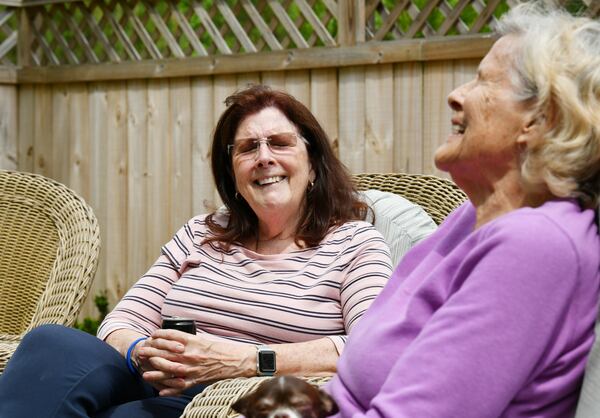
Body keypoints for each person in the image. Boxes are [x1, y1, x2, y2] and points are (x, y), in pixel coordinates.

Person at [0, 85, 393, 418]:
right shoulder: (202, 232)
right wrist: (144, 352)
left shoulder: (355, 244)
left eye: (279, 143)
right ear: (233, 174)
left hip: (227, 399)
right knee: (51, 342)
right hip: (155, 383)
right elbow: (120, 323)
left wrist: (243, 358)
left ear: (313, 164)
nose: (264, 158)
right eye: (247, 148)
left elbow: (372, 349)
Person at [326, 3, 600, 417]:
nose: (456, 95)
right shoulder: (471, 216)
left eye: (482, 81)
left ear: (541, 119)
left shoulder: (537, 247)